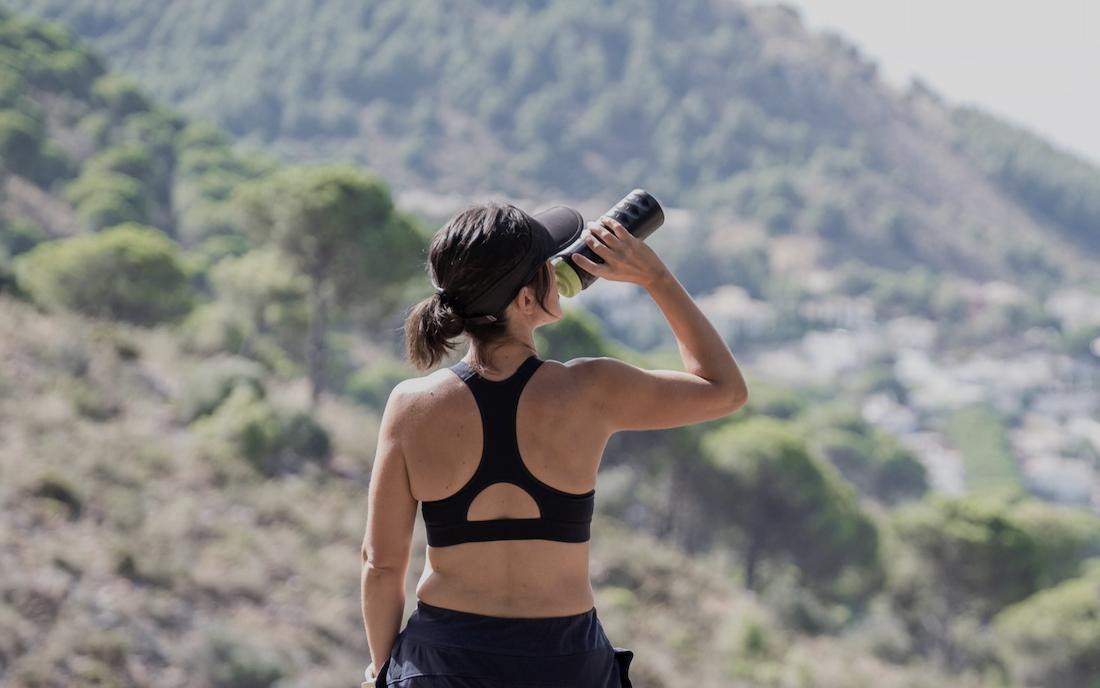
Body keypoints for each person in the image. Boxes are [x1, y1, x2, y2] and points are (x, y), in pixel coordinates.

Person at [361, 201, 748, 686]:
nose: (562, 266)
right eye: (549, 265)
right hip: (562, 664)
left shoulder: (410, 406)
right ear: (526, 301)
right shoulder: (591, 390)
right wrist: (656, 278)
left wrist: (381, 668)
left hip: (442, 662)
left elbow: (381, 564)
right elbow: (726, 390)